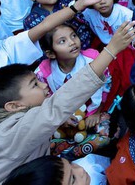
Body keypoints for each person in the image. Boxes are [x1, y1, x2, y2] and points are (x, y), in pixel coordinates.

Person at [0, 15, 135, 185]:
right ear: (14, 106)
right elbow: (61, 102)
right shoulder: (12, 133)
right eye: (34, 84)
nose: (43, 85)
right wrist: (111, 49)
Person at [35, 23, 113, 156]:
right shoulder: (43, 72)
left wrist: (96, 112)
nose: (72, 42)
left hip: (93, 111)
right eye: (62, 41)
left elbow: (106, 84)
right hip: (63, 116)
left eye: (74, 36)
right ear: (51, 53)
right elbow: (46, 99)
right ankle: (71, 148)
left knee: (106, 134)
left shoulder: (93, 58)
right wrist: (61, 117)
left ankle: (75, 149)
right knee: (47, 137)